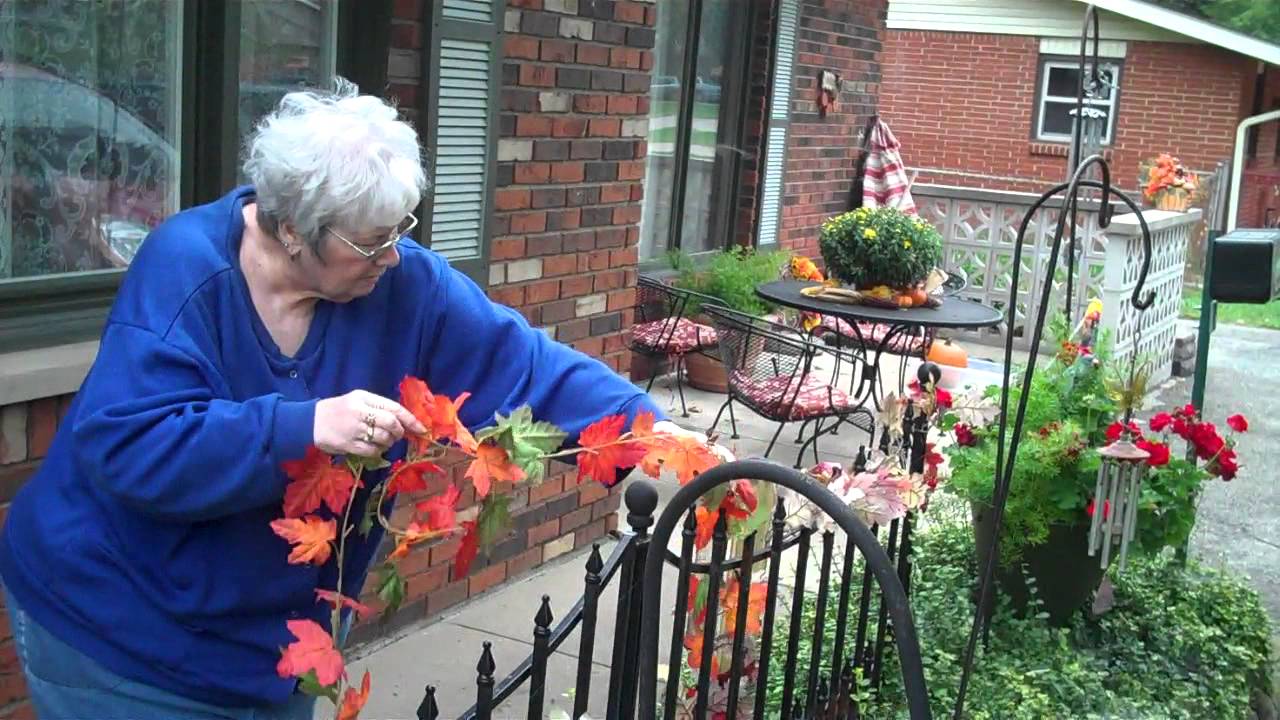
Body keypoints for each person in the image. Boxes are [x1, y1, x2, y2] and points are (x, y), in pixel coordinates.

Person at [0, 78, 721, 719]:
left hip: (276, 643)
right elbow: (130, 444)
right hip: (119, 630)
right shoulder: (186, 271)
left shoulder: (402, 286)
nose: (394, 258)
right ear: (289, 229)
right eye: (371, 242)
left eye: (400, 231)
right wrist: (306, 425)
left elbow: (525, 365)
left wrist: (659, 438)